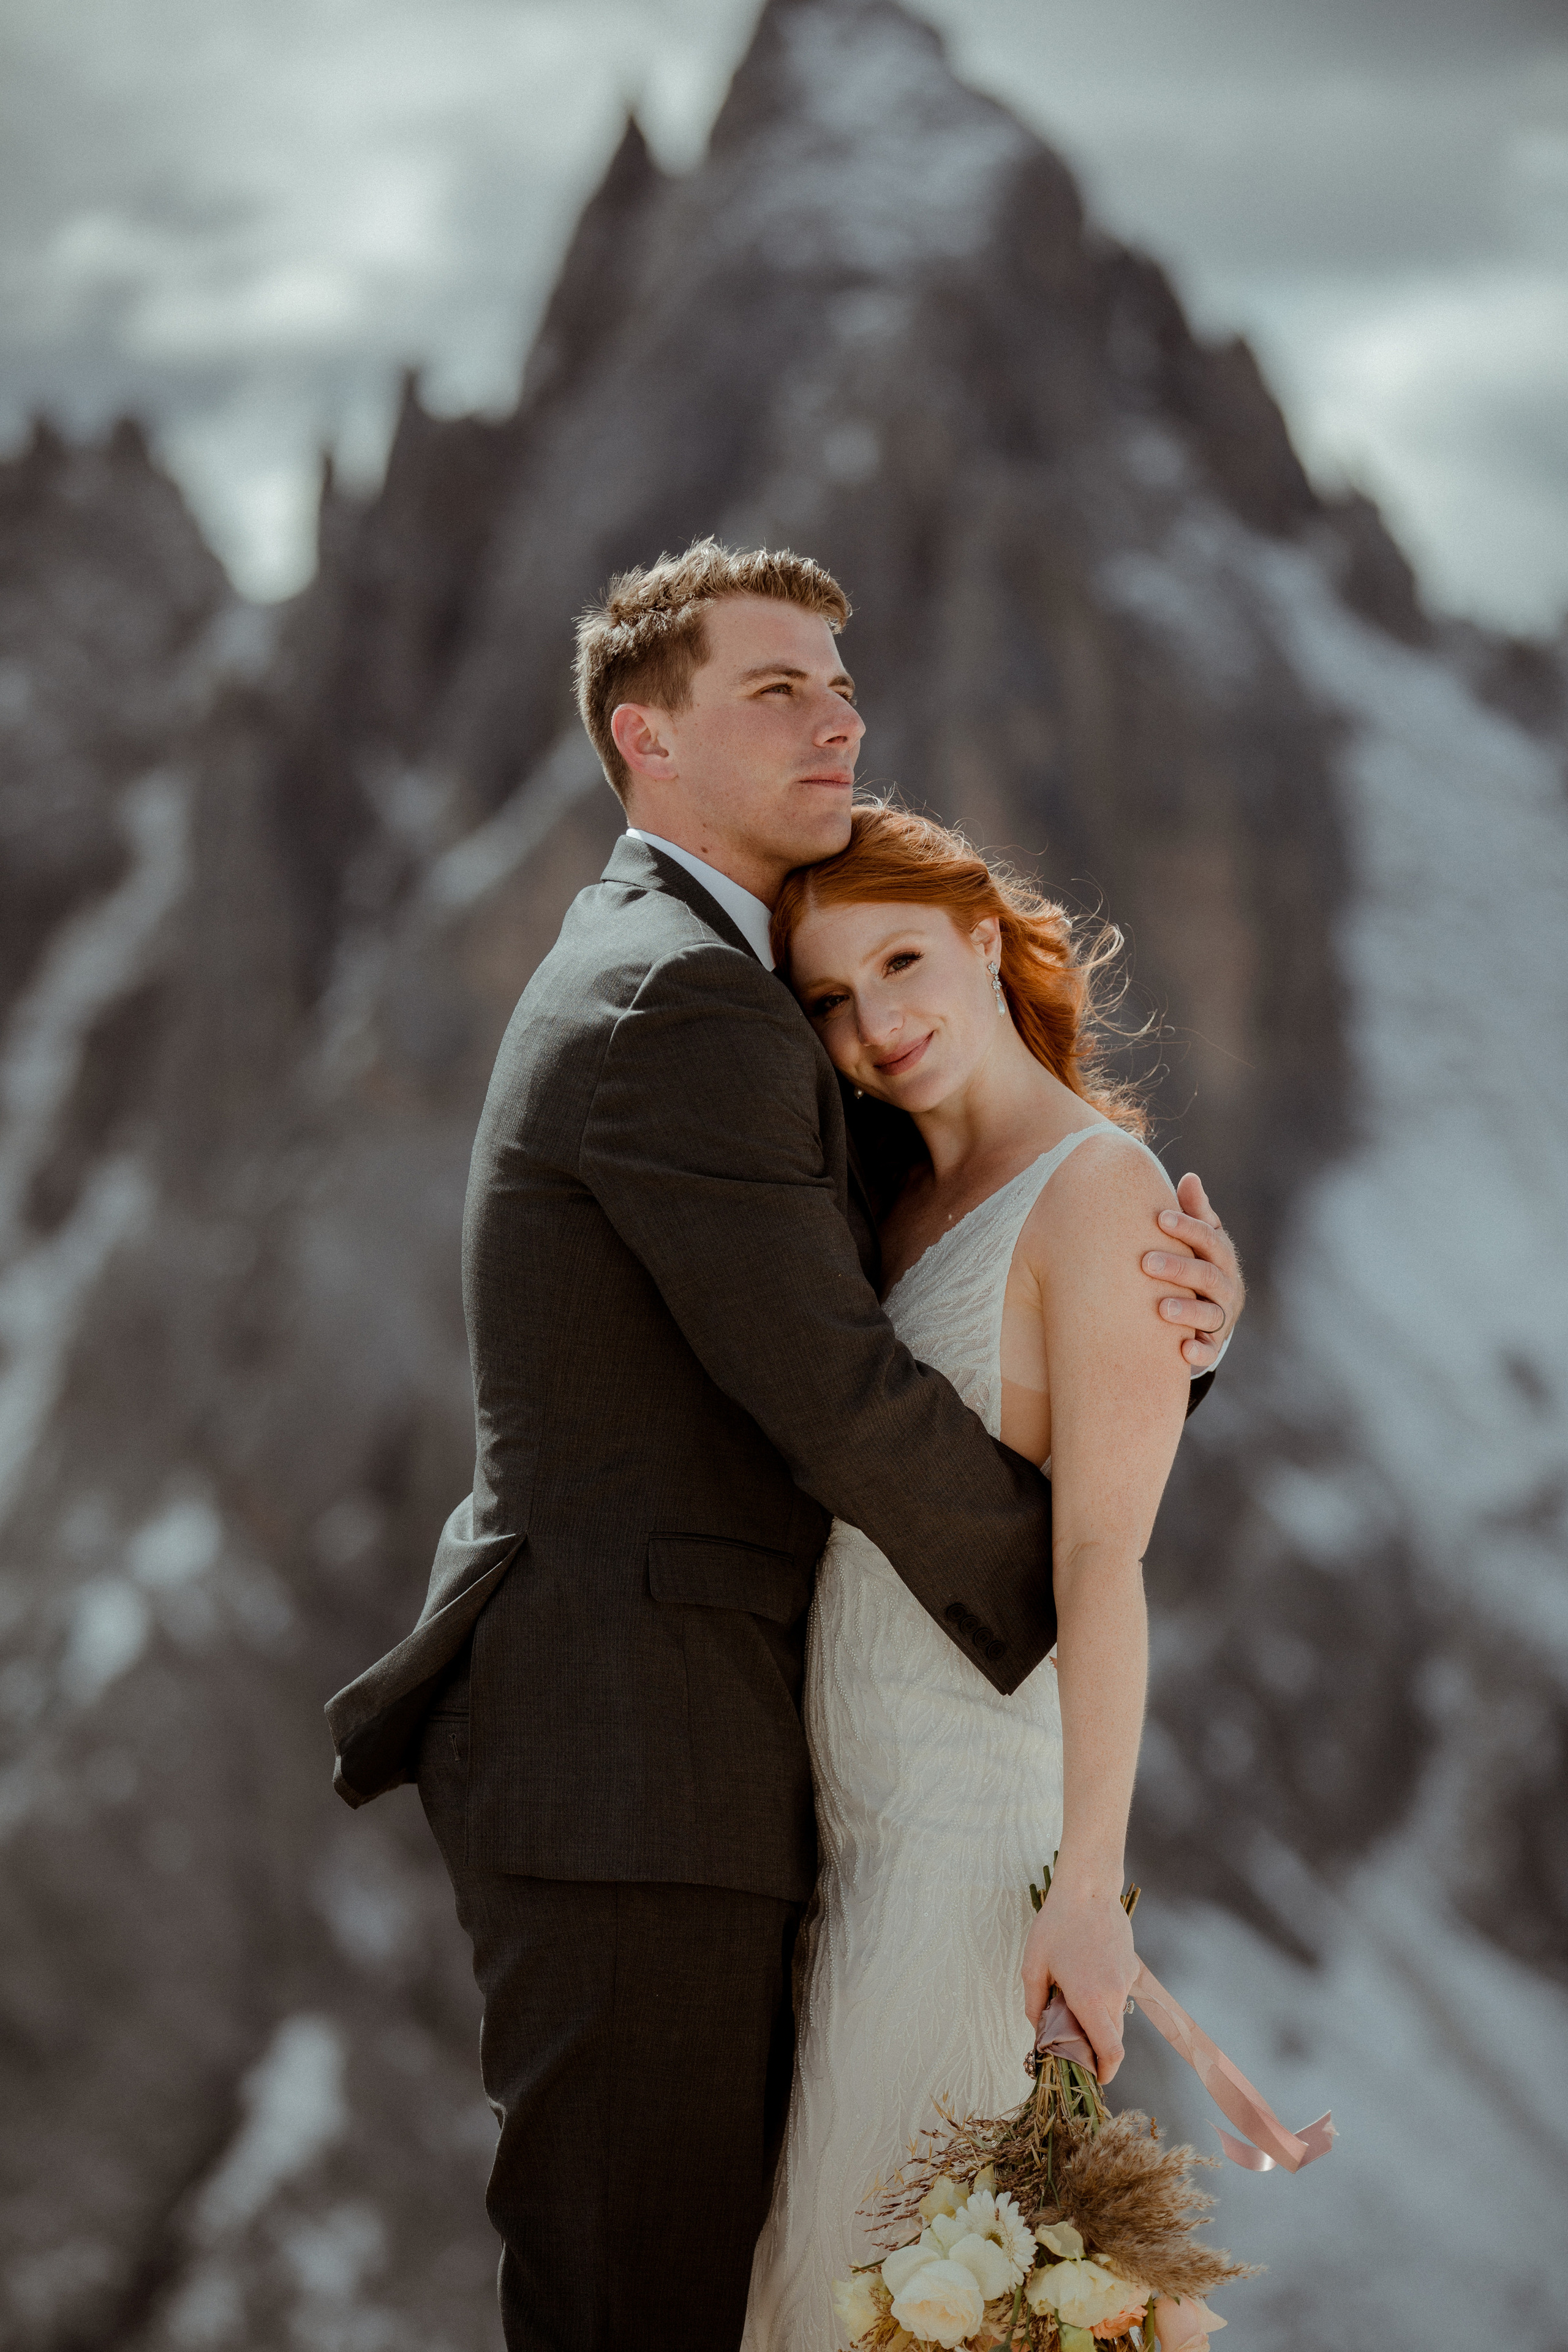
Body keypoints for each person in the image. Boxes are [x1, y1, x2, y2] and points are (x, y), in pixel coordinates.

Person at [323, 540, 1243, 2352]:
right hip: (631, 1760)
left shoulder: (732, 990)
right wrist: (1075, 1595)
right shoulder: (675, 999)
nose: (842, 715)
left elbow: (964, 1276)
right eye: (779, 689)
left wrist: (1158, 1329)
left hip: (712, 1756)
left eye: (842, 683)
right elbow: (835, 1382)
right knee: (636, 2301)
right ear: (642, 737)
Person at [741, 802, 1203, 2349]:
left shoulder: (1097, 1192)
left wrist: (1084, 1886)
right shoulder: (889, 1201)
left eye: (901, 961)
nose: (875, 1024)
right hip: (858, 1854)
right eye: (829, 998)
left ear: (985, 943)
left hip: (969, 1857)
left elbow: (1102, 1558)